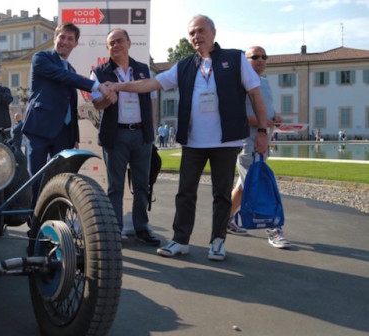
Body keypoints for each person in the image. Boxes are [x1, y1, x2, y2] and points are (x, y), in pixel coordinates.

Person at [109, 15, 270, 261]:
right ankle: (180, 240)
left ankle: (217, 241)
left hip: (226, 142)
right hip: (193, 142)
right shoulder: (184, 65)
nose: (197, 36)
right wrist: (120, 87)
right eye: (192, 33)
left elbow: (256, 96)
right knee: (185, 193)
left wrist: (261, 131)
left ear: (214, 33)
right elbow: (151, 83)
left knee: (222, 194)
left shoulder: (235, 59)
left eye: (201, 31)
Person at [22, 22, 115, 204]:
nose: (65, 41)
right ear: (55, 38)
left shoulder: (71, 70)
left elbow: (72, 106)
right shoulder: (41, 58)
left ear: (75, 44)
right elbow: (62, 76)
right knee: (37, 179)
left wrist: (75, 135)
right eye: (61, 37)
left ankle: (56, 218)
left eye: (70, 38)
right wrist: (96, 85)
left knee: (62, 179)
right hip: (39, 129)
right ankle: (34, 223)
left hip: (64, 134)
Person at [90, 28, 160, 245]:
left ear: (129, 43)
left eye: (120, 41)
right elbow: (96, 103)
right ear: (108, 48)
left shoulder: (143, 69)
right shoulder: (99, 72)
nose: (116, 45)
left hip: (141, 135)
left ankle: (142, 228)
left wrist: (152, 129)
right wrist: (107, 99)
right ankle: (115, 230)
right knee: (115, 187)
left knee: (141, 185)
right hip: (116, 136)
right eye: (111, 43)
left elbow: (152, 100)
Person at [226, 46, 289, 248]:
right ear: (246, 60)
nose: (261, 59)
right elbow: (235, 115)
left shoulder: (264, 82)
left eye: (264, 56)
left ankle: (225, 219)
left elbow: (265, 108)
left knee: (243, 186)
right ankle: (274, 228)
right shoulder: (239, 83)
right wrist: (261, 122)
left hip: (263, 140)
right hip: (248, 142)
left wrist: (274, 117)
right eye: (255, 57)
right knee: (259, 184)